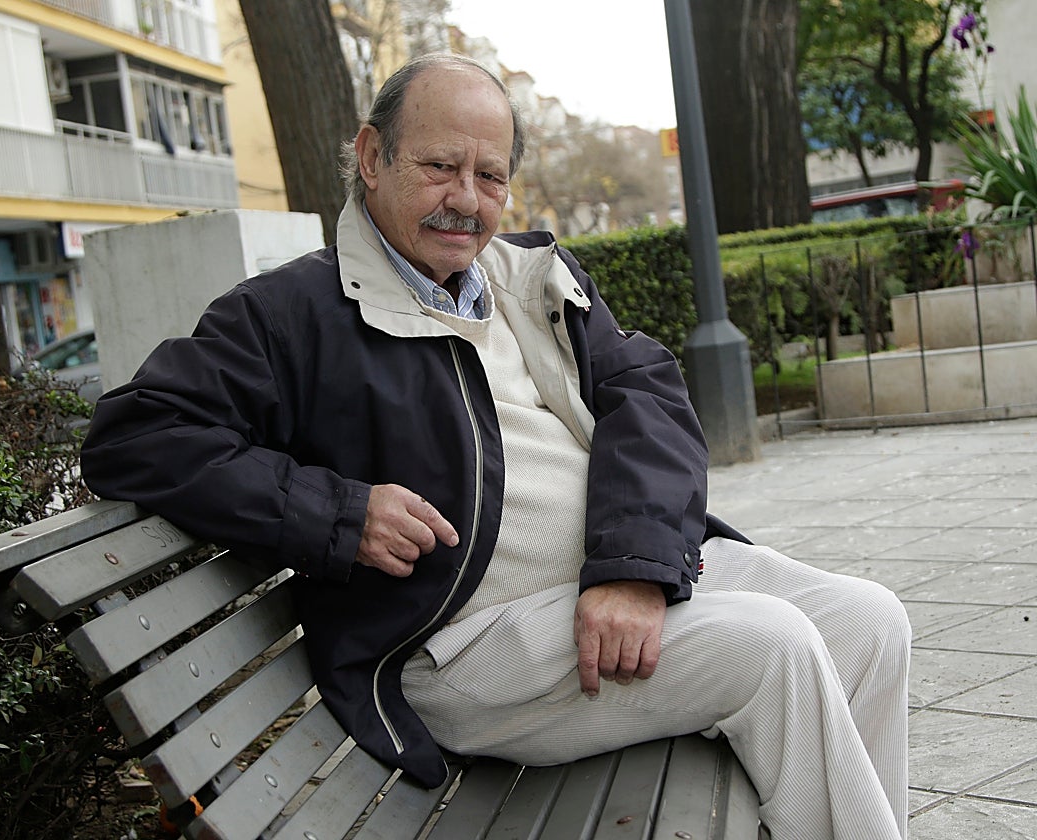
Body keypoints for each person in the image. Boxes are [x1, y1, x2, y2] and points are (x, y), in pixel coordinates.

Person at [80, 53, 911, 840]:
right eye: (440, 167)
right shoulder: (290, 314)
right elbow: (137, 437)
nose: (467, 200)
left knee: (872, 621)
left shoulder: (531, 280)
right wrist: (340, 512)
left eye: (490, 176)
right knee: (773, 649)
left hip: (605, 586)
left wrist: (630, 567)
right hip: (461, 647)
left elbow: (647, 393)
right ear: (372, 157)